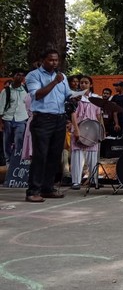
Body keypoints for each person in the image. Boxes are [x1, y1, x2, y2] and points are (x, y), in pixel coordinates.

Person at [24, 49, 72, 202]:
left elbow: (67, 94)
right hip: (43, 119)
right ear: (43, 60)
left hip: (59, 118)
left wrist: (74, 97)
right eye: (51, 60)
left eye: (56, 60)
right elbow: (37, 94)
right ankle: (33, 190)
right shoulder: (33, 75)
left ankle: (47, 188)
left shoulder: (62, 76)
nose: (54, 63)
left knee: (54, 155)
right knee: (40, 155)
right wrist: (54, 82)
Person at [70, 76, 103, 191]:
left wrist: (101, 130)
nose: (83, 84)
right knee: (77, 155)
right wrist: (76, 130)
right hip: (79, 127)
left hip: (92, 129)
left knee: (92, 154)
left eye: (86, 82)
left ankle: (93, 179)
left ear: (91, 85)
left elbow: (99, 115)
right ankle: (75, 181)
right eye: (81, 82)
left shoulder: (96, 98)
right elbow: (73, 114)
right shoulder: (75, 98)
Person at [0, 69, 28, 165]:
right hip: (8, 119)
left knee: (18, 140)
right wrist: (1, 122)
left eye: (22, 75)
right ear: (13, 77)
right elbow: (1, 106)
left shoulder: (26, 90)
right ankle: (8, 161)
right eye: (18, 75)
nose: (20, 77)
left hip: (21, 119)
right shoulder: (6, 91)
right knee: (6, 141)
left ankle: (17, 160)